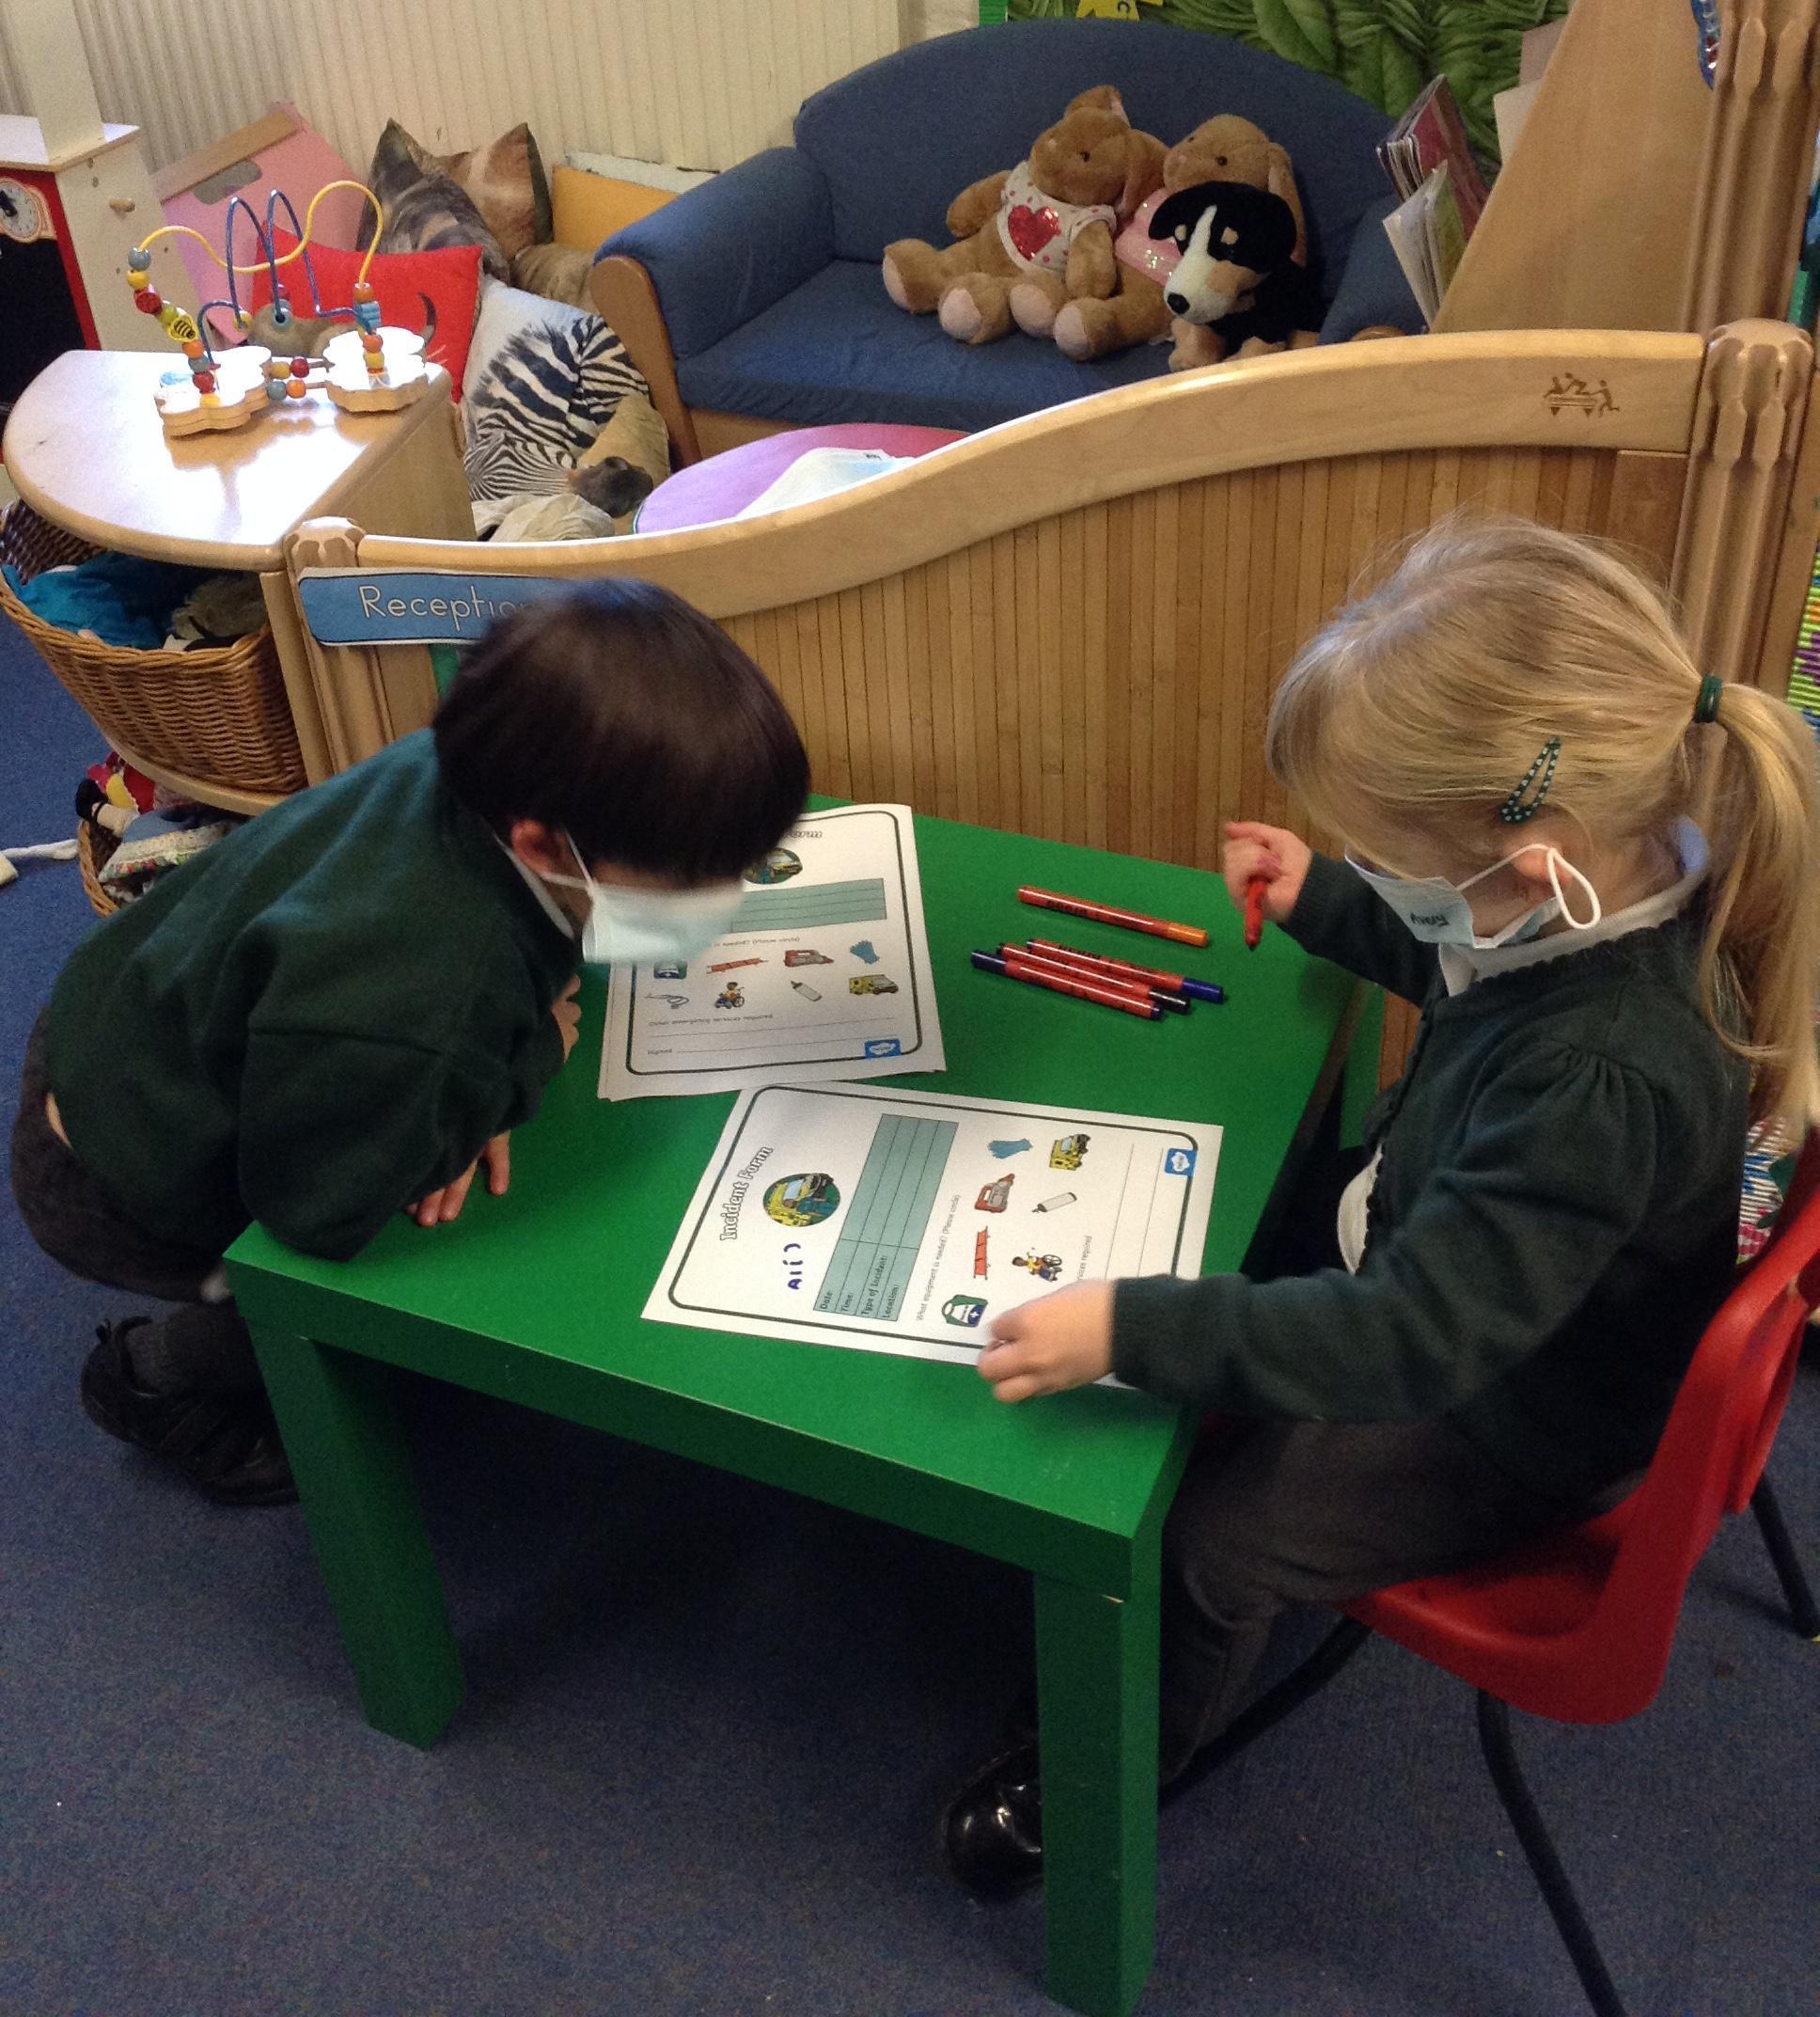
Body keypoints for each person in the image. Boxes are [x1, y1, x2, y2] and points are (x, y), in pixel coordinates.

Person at [943, 514, 1820, 1892]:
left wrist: (1128, 1331)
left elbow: (1409, 1343)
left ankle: (1099, 1775)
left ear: (1532, 865)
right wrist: (1330, 901)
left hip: (1507, 1410)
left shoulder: (1594, 1075)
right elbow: (1464, 967)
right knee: (1227, 1222)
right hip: (1474, 1268)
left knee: (1209, 1545)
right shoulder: (1624, 878)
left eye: (1396, 864)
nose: (1392, 885)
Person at [10, 583, 808, 1509]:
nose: (721, 897)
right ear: (543, 845)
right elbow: (315, 1214)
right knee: (312, 1293)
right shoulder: (423, 997)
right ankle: (153, 1380)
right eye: (693, 876)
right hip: (125, 1182)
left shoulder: (474, 763)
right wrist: (521, 1063)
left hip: (122, 1021)